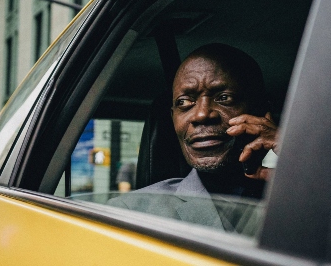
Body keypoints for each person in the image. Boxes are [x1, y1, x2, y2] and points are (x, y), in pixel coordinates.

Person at [107, 43, 279, 234]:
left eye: (224, 98)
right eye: (184, 102)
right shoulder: (131, 213)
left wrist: (295, 156)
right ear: (173, 118)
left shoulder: (302, 198)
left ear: (262, 112)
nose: (201, 115)